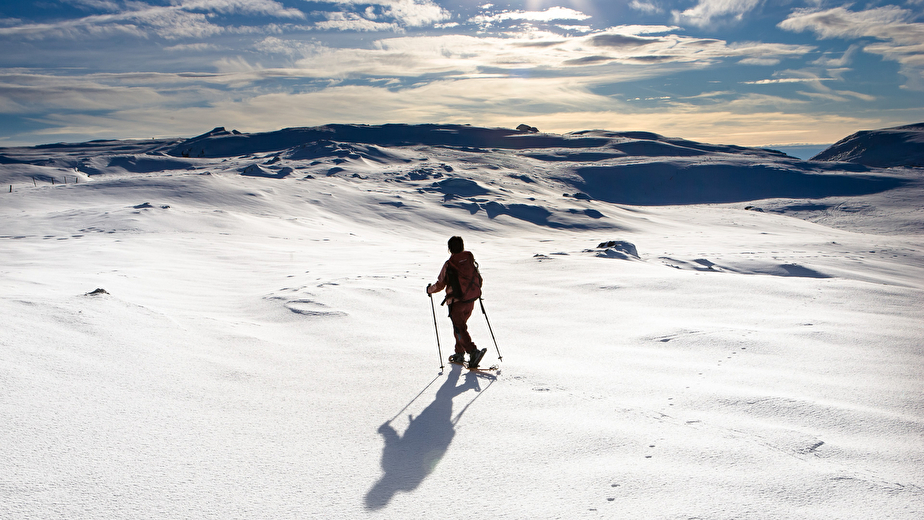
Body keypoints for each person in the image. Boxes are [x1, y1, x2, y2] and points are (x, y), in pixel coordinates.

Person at [426, 236, 487, 368]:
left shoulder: (450, 264)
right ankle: (459, 353)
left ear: (449, 249)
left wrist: (430, 290)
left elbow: (440, 284)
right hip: (470, 300)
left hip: (456, 302)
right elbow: (479, 279)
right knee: (460, 327)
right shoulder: (469, 260)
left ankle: (472, 351)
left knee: (459, 328)